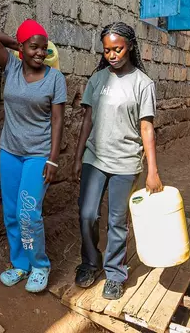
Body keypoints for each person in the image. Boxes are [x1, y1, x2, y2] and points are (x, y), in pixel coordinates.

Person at [73, 22, 164, 300]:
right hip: (95, 158)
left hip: (125, 162)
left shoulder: (142, 84)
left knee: (117, 220)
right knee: (88, 214)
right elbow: (87, 120)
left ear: (131, 46)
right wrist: (78, 157)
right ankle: (91, 262)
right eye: (107, 50)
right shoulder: (97, 79)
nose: (112, 55)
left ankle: (114, 273)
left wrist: (153, 171)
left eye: (118, 49)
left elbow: (146, 127)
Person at [0, 20, 67, 293]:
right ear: (21, 48)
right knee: (11, 212)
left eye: (45, 49)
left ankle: (40, 265)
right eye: (34, 47)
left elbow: (57, 121)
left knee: (28, 213)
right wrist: (20, 47)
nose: (40, 53)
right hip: (10, 151)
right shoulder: (12, 67)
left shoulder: (55, 78)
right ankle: (20, 264)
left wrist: (53, 159)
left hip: (38, 155)